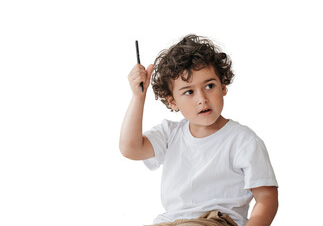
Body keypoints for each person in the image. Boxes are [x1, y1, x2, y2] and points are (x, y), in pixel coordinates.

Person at [119, 34, 278, 226]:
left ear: (223, 87)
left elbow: (266, 198)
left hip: (216, 220)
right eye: (189, 92)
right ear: (172, 101)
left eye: (209, 86)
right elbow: (130, 148)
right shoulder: (169, 134)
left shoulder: (243, 141)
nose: (202, 98)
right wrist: (138, 98)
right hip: (171, 221)